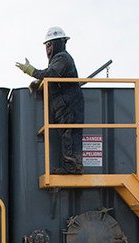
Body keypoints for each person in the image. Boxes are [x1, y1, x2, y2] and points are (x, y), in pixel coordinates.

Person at [16, 26, 85, 175]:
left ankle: (73, 167)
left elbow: (53, 73)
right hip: (64, 106)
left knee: (69, 135)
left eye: (49, 45)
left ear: (59, 43)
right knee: (67, 135)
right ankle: (72, 166)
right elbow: (53, 77)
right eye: (46, 46)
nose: (47, 49)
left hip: (69, 105)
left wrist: (32, 72)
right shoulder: (58, 59)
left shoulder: (62, 57)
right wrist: (40, 84)